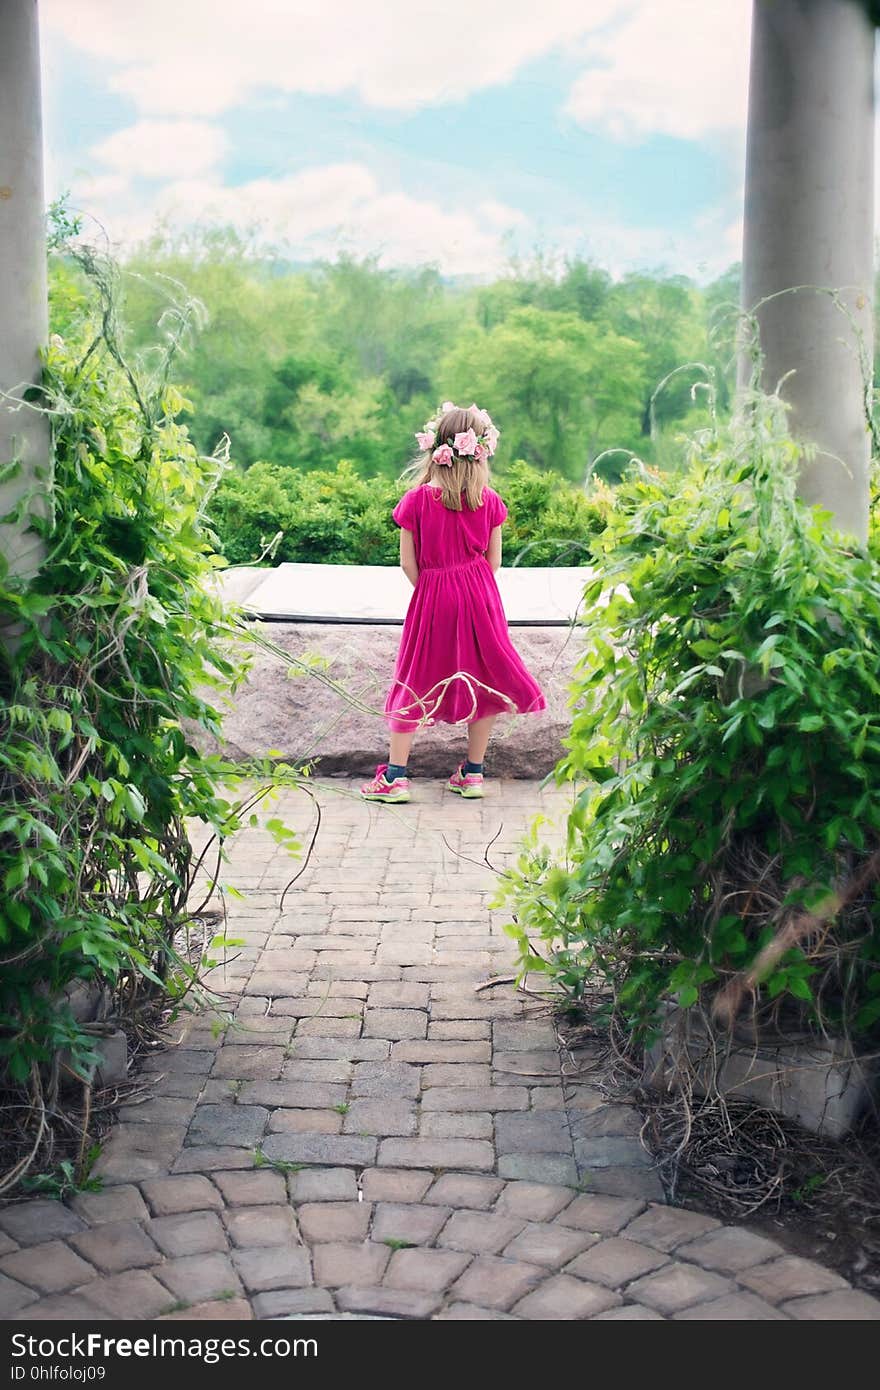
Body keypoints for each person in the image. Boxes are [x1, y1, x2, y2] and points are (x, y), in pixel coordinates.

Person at [361, 401, 546, 804]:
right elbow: (493, 561)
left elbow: (407, 564)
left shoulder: (416, 501)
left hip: (433, 592)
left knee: (415, 676)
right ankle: (474, 773)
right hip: (481, 594)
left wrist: (434, 589)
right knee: (484, 677)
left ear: (435, 449)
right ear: (480, 452)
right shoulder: (490, 501)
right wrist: (470, 587)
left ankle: (395, 776)